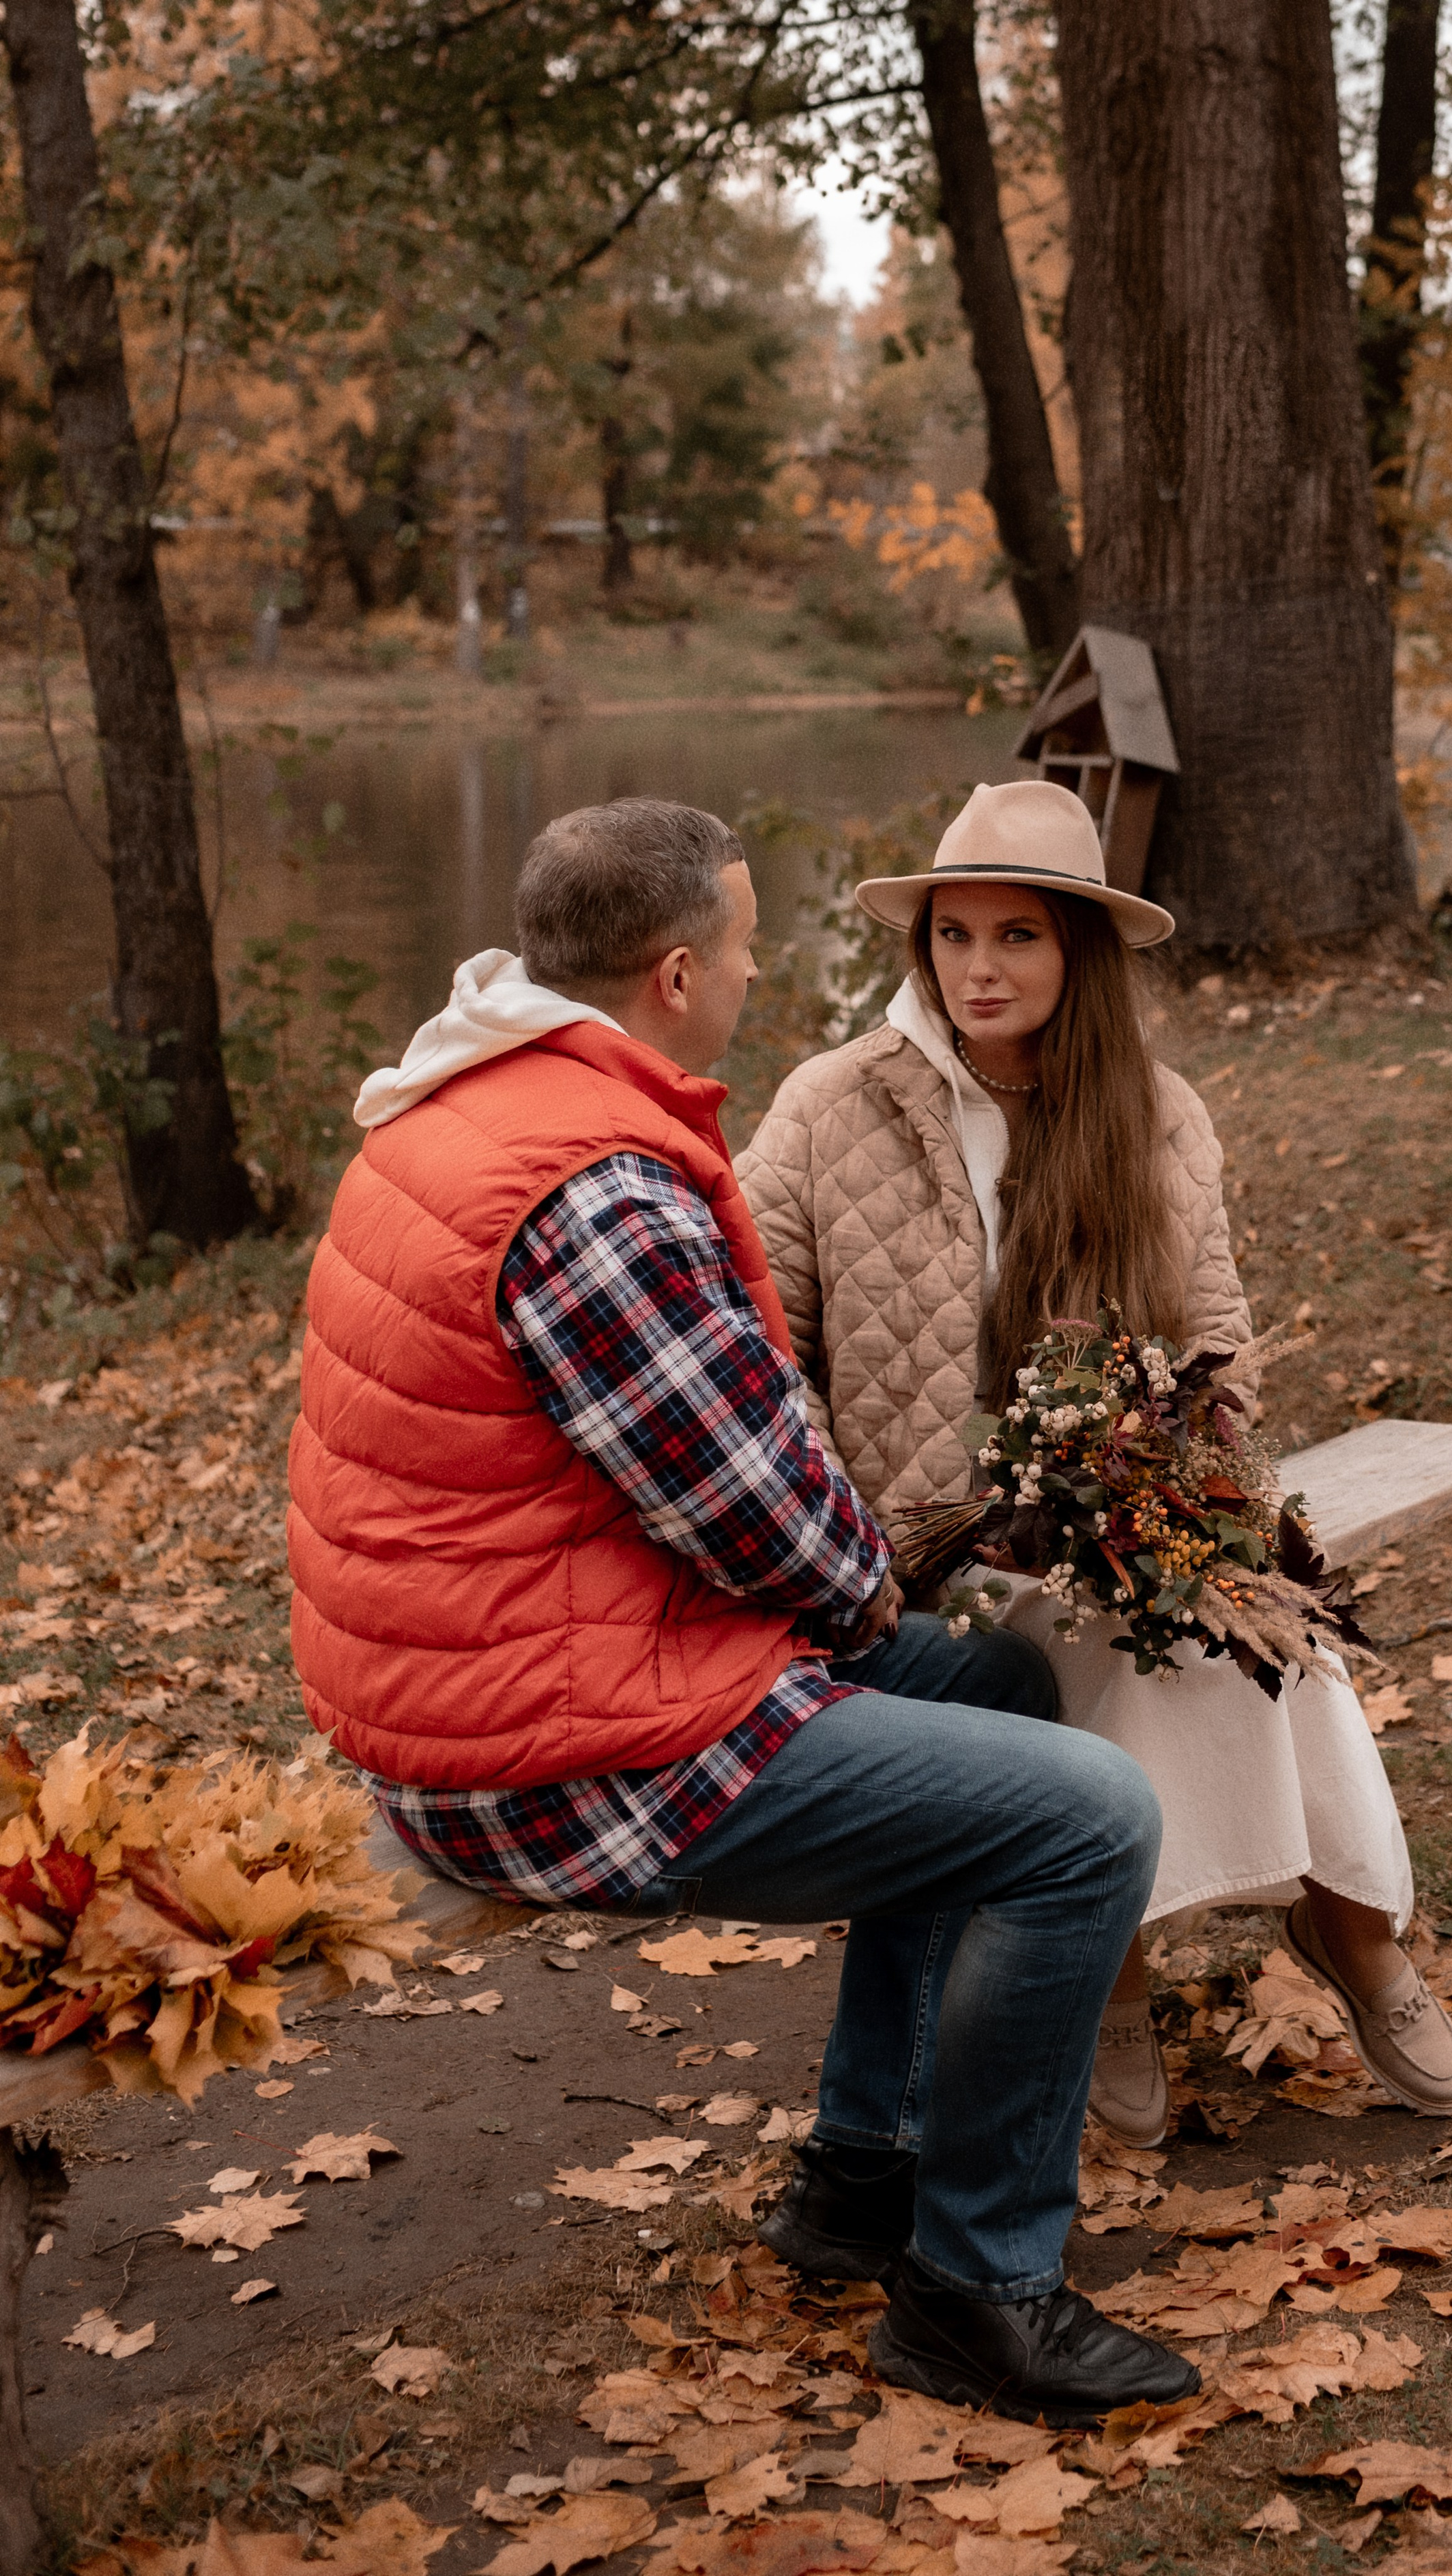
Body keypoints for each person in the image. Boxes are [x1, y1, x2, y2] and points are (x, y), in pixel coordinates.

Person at [287, 794, 1202, 2425]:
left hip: (502, 1682)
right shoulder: (593, 1193)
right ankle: (978, 2294)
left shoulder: (466, 1101)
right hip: (553, 1757)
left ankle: (863, 2175)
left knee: (995, 1690)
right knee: (1084, 1819)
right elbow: (766, 1519)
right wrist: (867, 1587)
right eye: (748, 945)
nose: (757, 972)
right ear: (673, 971)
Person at [737, 779, 1452, 2143]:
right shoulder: (832, 1104)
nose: (978, 967)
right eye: (954, 934)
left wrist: (1178, 1488)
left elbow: (1216, 1343)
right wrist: (849, 1540)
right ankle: (1113, 1969)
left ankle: (1354, 1929)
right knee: (1077, 1645)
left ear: (1076, 948)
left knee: (1250, 1620)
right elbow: (759, 1353)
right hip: (916, 1547)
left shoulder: (1156, 1114)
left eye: (1016, 935)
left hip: (1115, 1498)